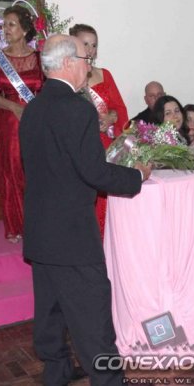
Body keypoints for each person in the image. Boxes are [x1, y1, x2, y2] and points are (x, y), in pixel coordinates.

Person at [19, 34, 151, 385]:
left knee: (50, 311)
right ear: (67, 63)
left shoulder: (33, 108)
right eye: (84, 59)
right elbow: (93, 172)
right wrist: (137, 175)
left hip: (41, 232)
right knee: (93, 317)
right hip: (72, 235)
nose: (88, 66)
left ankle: (57, 370)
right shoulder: (77, 109)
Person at [0, 5, 44, 242]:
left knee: (37, 171)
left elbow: (48, 90)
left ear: (24, 30)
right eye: (4, 25)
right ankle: (17, 225)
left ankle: (40, 223)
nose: (5, 29)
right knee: (13, 171)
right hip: (10, 122)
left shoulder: (39, 59)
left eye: (11, 24)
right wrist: (13, 107)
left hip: (36, 121)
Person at [69, 23, 130, 237]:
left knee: (107, 197)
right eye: (85, 44)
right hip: (81, 148)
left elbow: (120, 109)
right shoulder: (68, 79)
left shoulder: (105, 74)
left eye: (94, 45)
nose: (90, 50)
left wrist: (111, 117)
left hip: (107, 145)